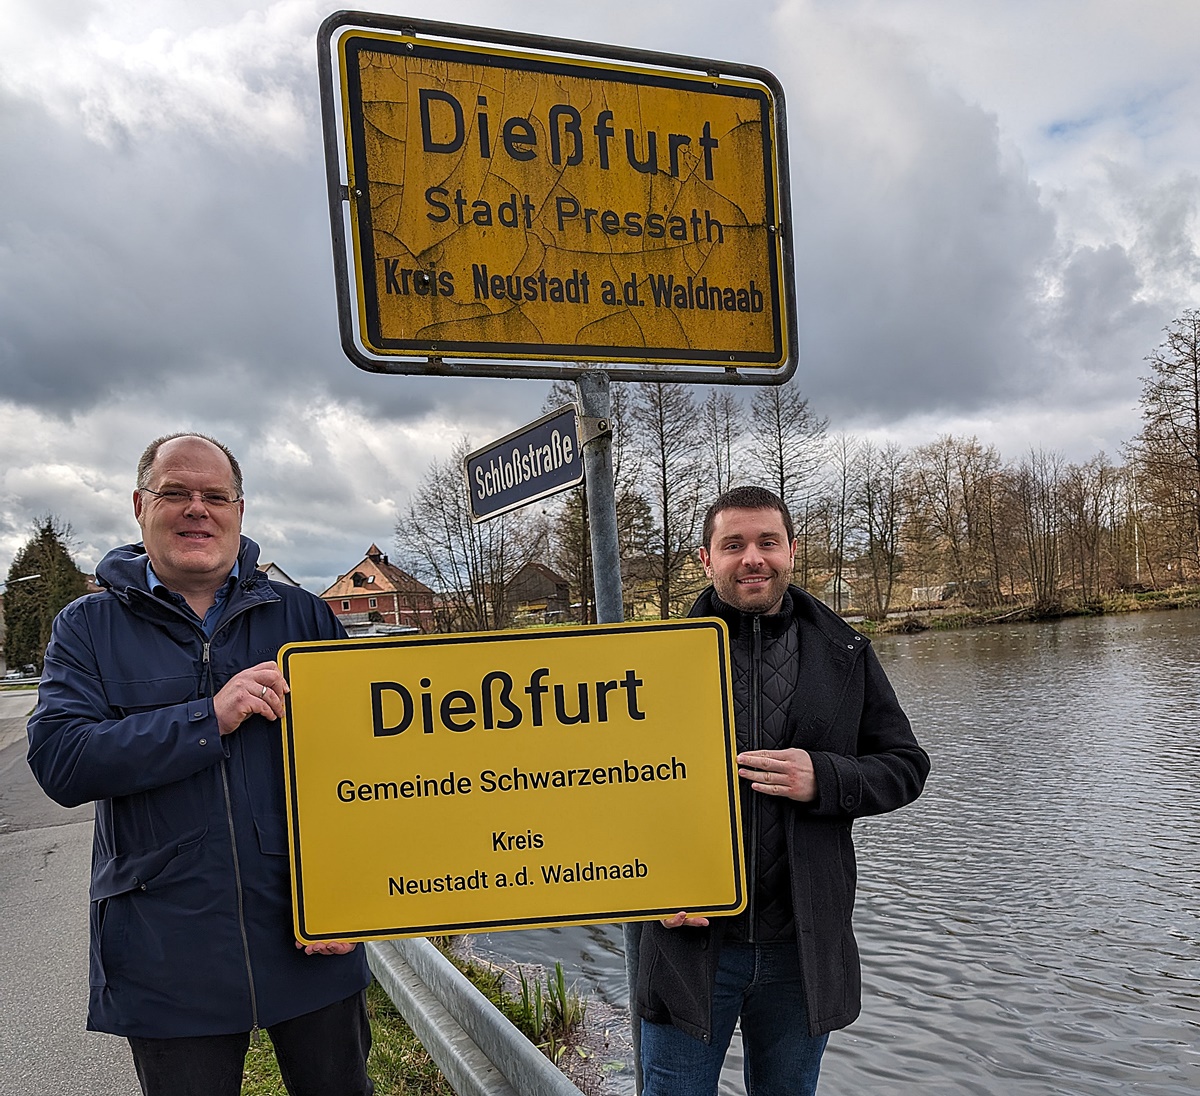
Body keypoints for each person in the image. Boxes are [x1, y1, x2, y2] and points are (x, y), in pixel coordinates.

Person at [27, 433, 373, 1096]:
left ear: (239, 511)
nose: (197, 509)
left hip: (308, 937)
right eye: (175, 493)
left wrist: (349, 897)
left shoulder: (304, 616)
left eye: (215, 496)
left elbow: (361, 773)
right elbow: (61, 761)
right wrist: (205, 718)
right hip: (165, 956)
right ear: (139, 505)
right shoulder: (88, 627)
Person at [634, 485, 930, 1096]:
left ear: (791, 550)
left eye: (768, 542)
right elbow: (604, 794)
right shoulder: (650, 663)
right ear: (704, 558)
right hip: (689, 945)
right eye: (734, 544)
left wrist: (826, 777)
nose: (753, 558)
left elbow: (905, 766)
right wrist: (648, 887)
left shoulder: (844, 652)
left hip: (802, 948)